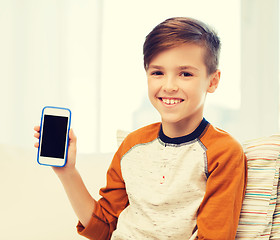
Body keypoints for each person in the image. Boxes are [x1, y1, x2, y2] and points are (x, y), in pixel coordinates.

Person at [34, 17, 247, 240]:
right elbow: (103, 228)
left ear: (212, 81)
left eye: (185, 74)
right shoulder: (133, 145)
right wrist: (68, 172)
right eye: (158, 73)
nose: (169, 86)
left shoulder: (224, 152)